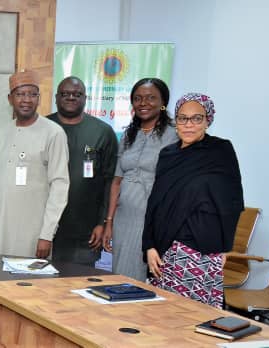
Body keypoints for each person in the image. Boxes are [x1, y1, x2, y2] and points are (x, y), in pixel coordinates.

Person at [144, 93, 242, 309]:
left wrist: (224, 247)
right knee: (161, 314)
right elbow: (155, 202)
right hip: (164, 249)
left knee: (193, 318)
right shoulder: (167, 154)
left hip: (201, 250)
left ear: (208, 121)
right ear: (175, 121)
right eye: (182, 118)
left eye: (197, 118)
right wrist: (149, 246)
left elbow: (232, 203)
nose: (189, 125)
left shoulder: (220, 151)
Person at [0, 70, 69, 259]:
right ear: (10, 99)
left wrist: (47, 235)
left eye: (32, 94)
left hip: (33, 232)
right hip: (1, 227)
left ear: (39, 99)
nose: (27, 100)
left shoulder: (53, 133)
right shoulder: (2, 133)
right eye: (20, 94)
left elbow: (60, 186)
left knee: (28, 283)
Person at [103, 78, 178, 281]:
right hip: (123, 218)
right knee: (119, 275)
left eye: (151, 98)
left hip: (152, 218)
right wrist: (109, 222)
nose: (143, 103)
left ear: (163, 102)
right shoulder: (129, 134)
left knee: (141, 278)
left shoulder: (176, 134)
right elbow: (117, 181)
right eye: (137, 98)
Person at [46, 77, 118, 266]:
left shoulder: (102, 132)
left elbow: (109, 181)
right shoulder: (43, 128)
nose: (71, 98)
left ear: (86, 98)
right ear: (56, 97)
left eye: (77, 94)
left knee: (78, 287)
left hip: (86, 232)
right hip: (45, 230)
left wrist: (102, 222)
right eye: (65, 94)